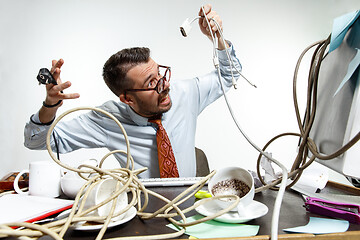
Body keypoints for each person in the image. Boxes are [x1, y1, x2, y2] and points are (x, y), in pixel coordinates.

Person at [24, 4, 242, 178]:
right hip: (141, 213)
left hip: (190, 207)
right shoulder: (108, 120)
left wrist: (218, 38)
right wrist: (50, 105)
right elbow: (36, 141)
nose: (164, 85)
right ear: (127, 99)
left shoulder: (184, 93)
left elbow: (229, 74)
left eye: (161, 74)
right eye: (150, 83)